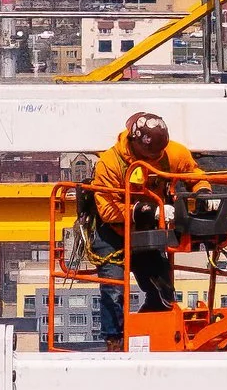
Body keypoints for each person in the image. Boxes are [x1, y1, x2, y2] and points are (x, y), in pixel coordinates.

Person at [86, 112, 207, 344]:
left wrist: (203, 191)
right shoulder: (110, 164)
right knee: (113, 292)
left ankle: (143, 335)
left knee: (162, 293)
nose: (155, 159)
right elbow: (108, 210)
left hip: (146, 234)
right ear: (134, 144)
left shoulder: (172, 154)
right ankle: (115, 341)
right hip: (112, 233)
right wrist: (148, 211)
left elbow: (194, 174)